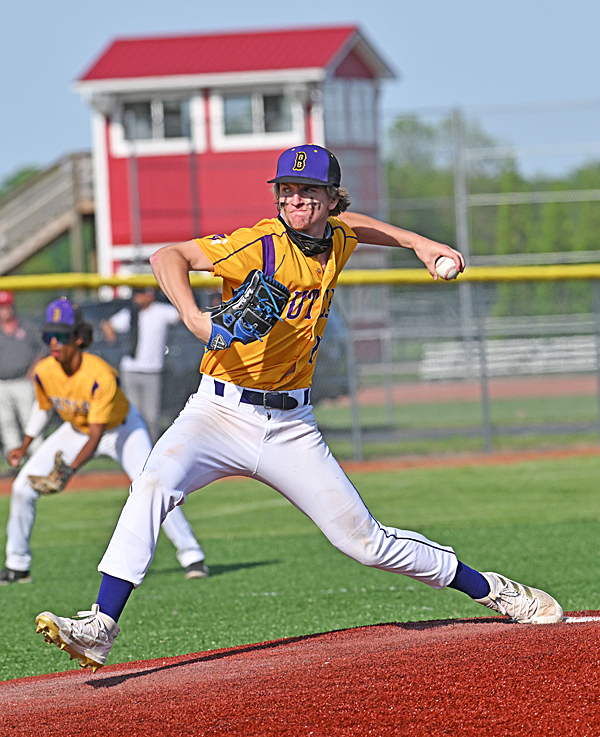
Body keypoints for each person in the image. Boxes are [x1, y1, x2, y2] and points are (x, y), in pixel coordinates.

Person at [35, 145, 563, 673]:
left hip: (291, 426)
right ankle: (102, 625)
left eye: (309, 191)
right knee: (151, 485)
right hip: (217, 412)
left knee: (367, 544)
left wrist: (418, 243)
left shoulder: (336, 238)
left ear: (331, 199)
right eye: (287, 190)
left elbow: (356, 226)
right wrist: (196, 319)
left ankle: (493, 589)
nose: (296, 199)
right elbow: (166, 257)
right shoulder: (258, 244)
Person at [0, 296, 208, 585]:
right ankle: (17, 564)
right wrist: (24, 445)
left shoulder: (99, 374)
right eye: (49, 335)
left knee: (152, 485)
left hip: (121, 429)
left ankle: (192, 555)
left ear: (77, 337)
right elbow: (44, 407)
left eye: (61, 335)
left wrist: (68, 470)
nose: (54, 343)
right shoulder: (45, 370)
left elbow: (97, 436)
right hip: (77, 428)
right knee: (23, 487)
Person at [101, 287, 181, 442]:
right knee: (134, 415)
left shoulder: (161, 311)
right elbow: (108, 324)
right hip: (130, 369)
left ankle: (151, 449)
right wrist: (112, 339)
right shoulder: (130, 313)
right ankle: (136, 448)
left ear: (149, 295)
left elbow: (183, 315)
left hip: (152, 371)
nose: (136, 297)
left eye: (140, 293)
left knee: (151, 416)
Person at [0, 291, 44, 458]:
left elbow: (43, 347)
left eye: (7, 306)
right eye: (1, 307)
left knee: (31, 422)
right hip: (2, 383)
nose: (4, 310)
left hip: (24, 382)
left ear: (13, 307)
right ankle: (14, 459)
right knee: (6, 424)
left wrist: (34, 368)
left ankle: (38, 458)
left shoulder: (27, 327)